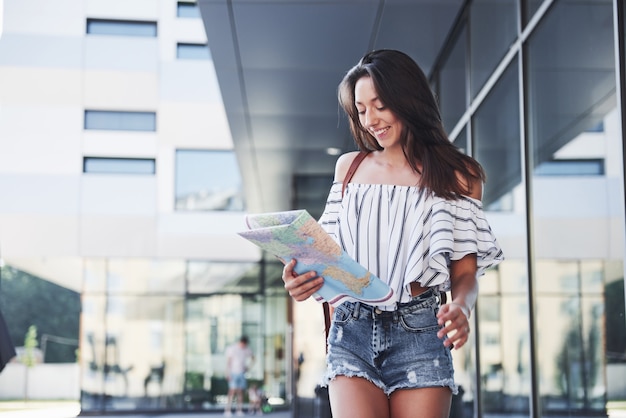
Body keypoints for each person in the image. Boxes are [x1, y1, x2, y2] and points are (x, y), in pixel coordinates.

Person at [282, 49, 503, 418]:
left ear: (408, 99)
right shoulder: (349, 169)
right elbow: (326, 256)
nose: (370, 120)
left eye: (379, 105)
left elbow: (464, 273)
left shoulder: (460, 175)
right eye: (361, 110)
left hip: (420, 329)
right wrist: (300, 278)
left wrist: (462, 307)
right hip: (351, 325)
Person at [224, 335, 254, 416]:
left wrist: (248, 367)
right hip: (233, 372)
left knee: (240, 392)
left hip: (241, 373)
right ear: (240, 342)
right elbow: (228, 362)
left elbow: (253, 358)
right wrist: (227, 373)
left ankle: (239, 410)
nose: (244, 346)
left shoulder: (246, 349)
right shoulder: (232, 349)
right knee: (232, 391)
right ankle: (227, 410)